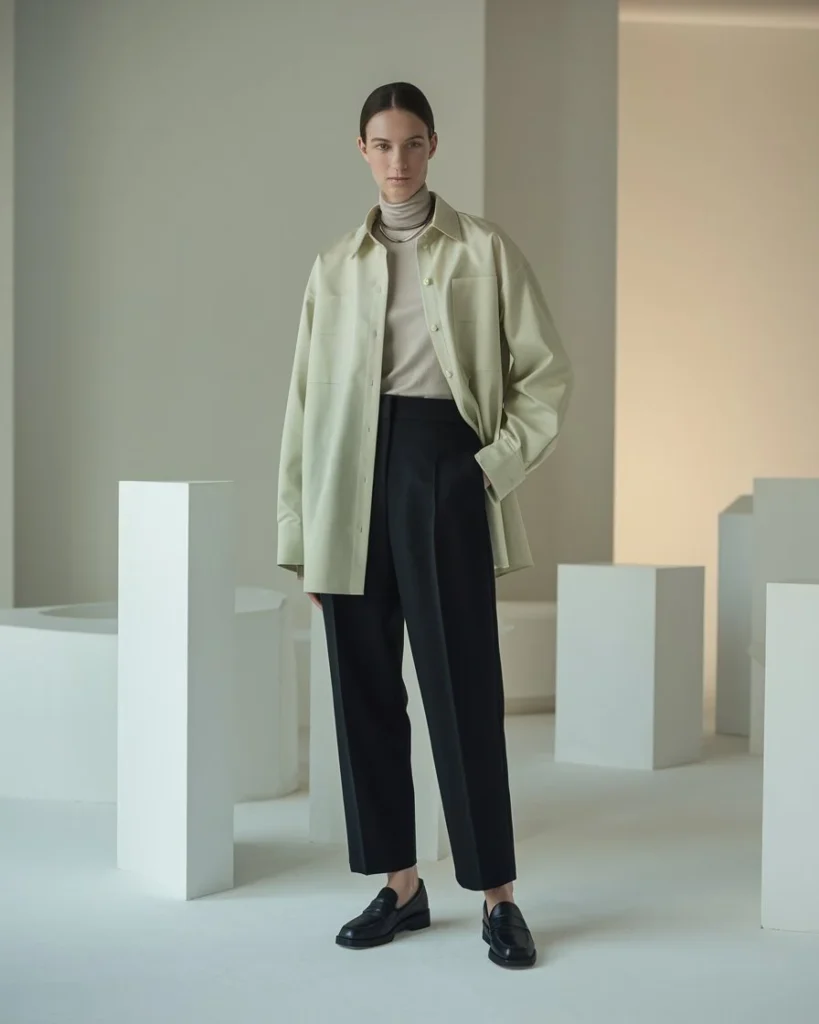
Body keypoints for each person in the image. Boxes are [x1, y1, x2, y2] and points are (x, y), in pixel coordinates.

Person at [277, 81, 573, 970]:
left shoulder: (483, 248)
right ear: (361, 151)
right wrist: (302, 533)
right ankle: (400, 886)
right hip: (347, 479)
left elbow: (545, 374)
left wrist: (484, 470)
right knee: (362, 692)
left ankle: (497, 897)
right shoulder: (334, 265)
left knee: (462, 691)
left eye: (411, 143)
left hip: (441, 463)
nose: (396, 161)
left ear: (433, 146)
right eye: (380, 144)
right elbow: (302, 407)